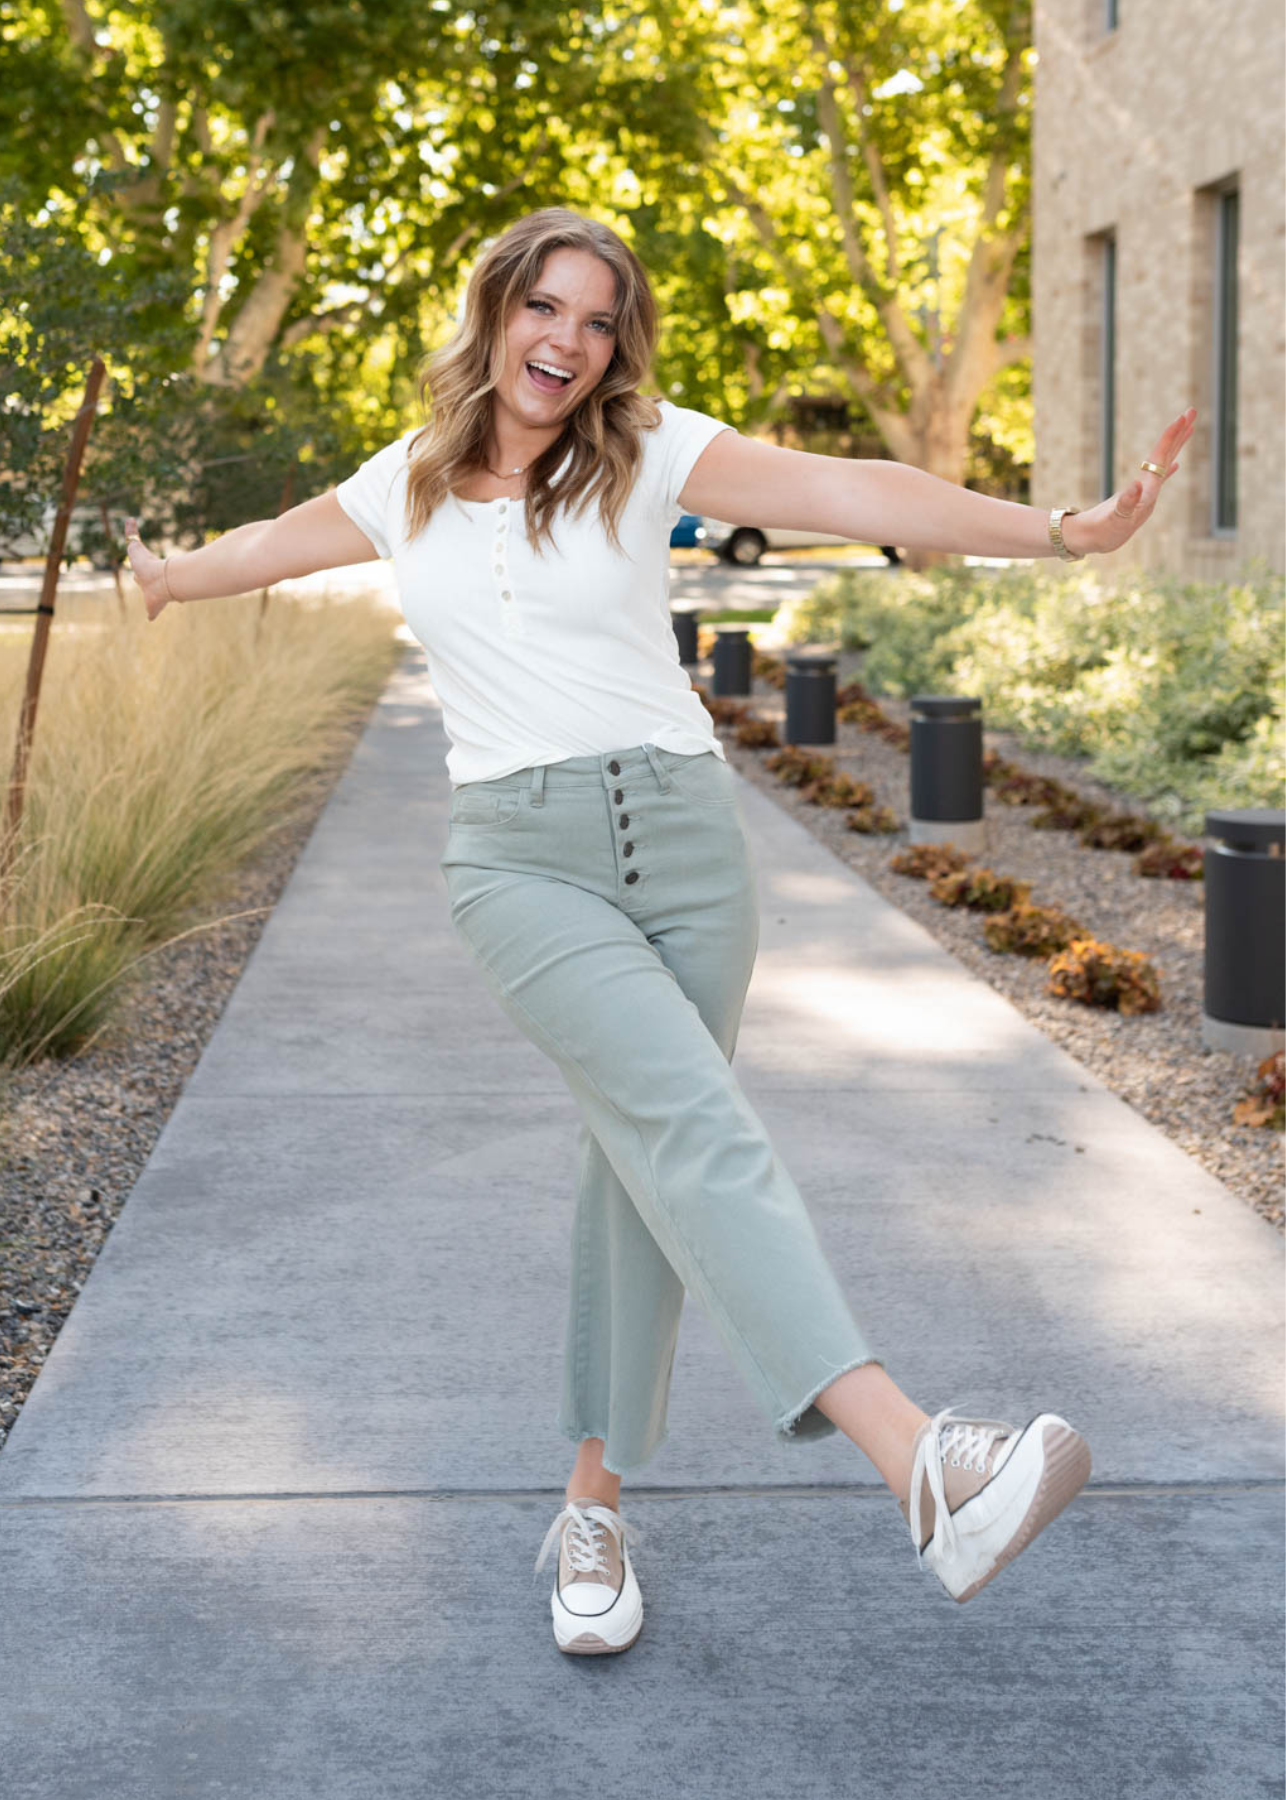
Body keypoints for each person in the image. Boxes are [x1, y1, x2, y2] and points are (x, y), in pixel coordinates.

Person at [125, 206, 1195, 1658]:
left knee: (646, 1171)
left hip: (687, 846)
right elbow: (267, 545)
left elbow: (858, 489)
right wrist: (167, 573)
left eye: (597, 320)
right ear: (495, 312)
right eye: (544, 309)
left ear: (618, 344)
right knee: (693, 1125)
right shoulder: (408, 485)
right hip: (517, 862)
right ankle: (923, 1465)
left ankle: (592, 1509)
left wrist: (1058, 533)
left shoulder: (650, 455)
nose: (566, 341)